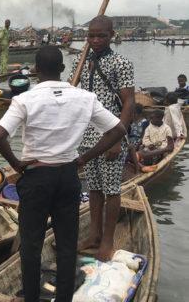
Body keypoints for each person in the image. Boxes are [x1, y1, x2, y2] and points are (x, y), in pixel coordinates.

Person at [0, 46, 126, 302]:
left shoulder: (25, 100)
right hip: (68, 176)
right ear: (63, 69)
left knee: (31, 247)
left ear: (35, 70)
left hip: (36, 176)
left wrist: (17, 164)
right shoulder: (85, 98)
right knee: (67, 244)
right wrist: (84, 158)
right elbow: (117, 130)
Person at [70, 15, 134, 262]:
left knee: (111, 190)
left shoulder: (121, 63)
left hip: (111, 136)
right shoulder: (80, 61)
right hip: (86, 136)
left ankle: (107, 240)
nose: (96, 40)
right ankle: (94, 235)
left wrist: (119, 137)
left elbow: (129, 102)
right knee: (94, 189)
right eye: (91, 36)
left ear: (111, 36)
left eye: (101, 36)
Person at [126, 104, 148, 172]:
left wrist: (137, 146)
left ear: (139, 113)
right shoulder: (131, 121)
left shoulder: (144, 122)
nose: (133, 115)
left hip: (139, 141)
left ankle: (138, 165)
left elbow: (143, 137)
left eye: (134, 113)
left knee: (134, 152)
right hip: (130, 140)